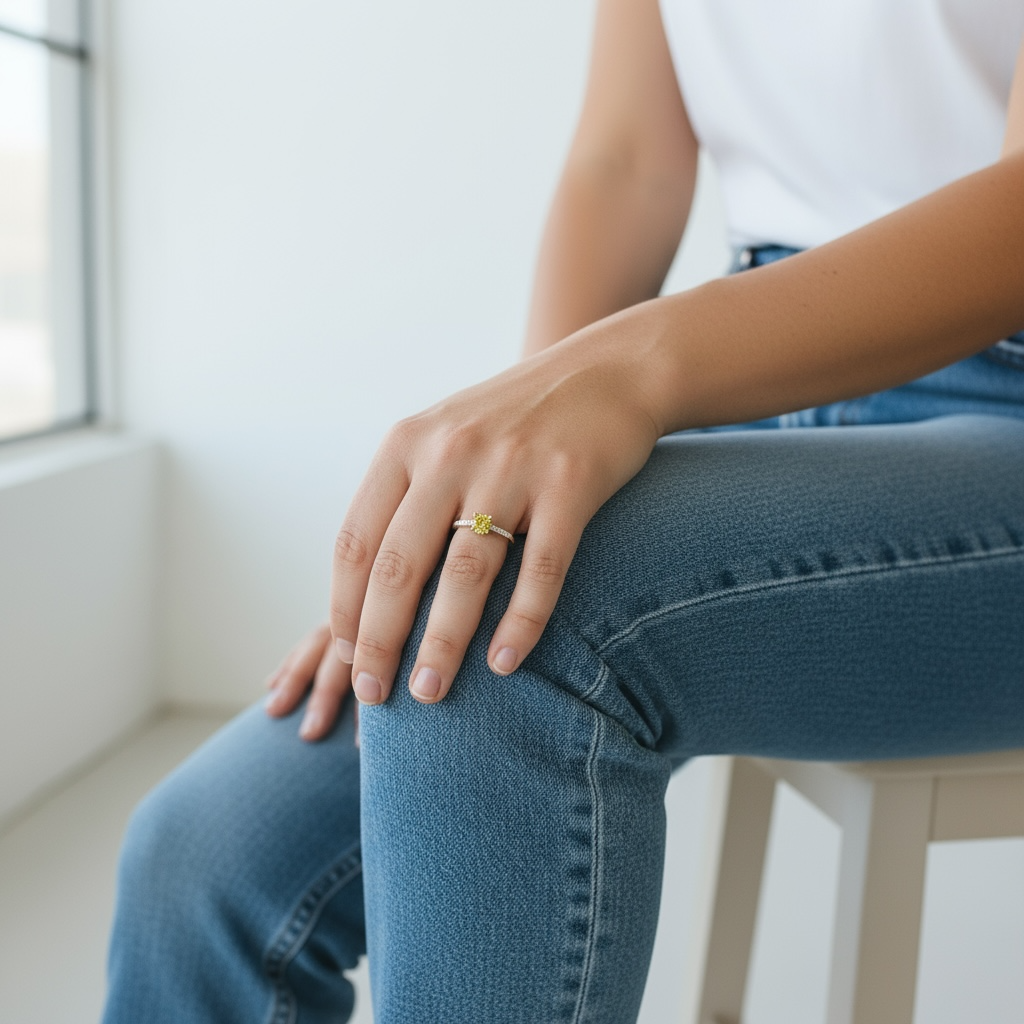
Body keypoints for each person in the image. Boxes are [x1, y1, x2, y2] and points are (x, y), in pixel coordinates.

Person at [101, 0, 1024, 1020]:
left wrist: (629, 369)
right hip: (768, 374)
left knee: (527, 624)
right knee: (201, 863)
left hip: (996, 404)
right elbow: (623, 161)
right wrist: (473, 499)